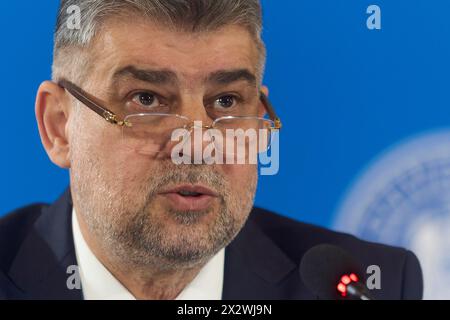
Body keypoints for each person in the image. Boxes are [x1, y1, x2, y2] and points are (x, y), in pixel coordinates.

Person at [0, 0, 422, 300]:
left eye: (226, 102)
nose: (198, 145)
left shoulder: (365, 286)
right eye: (146, 99)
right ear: (59, 126)